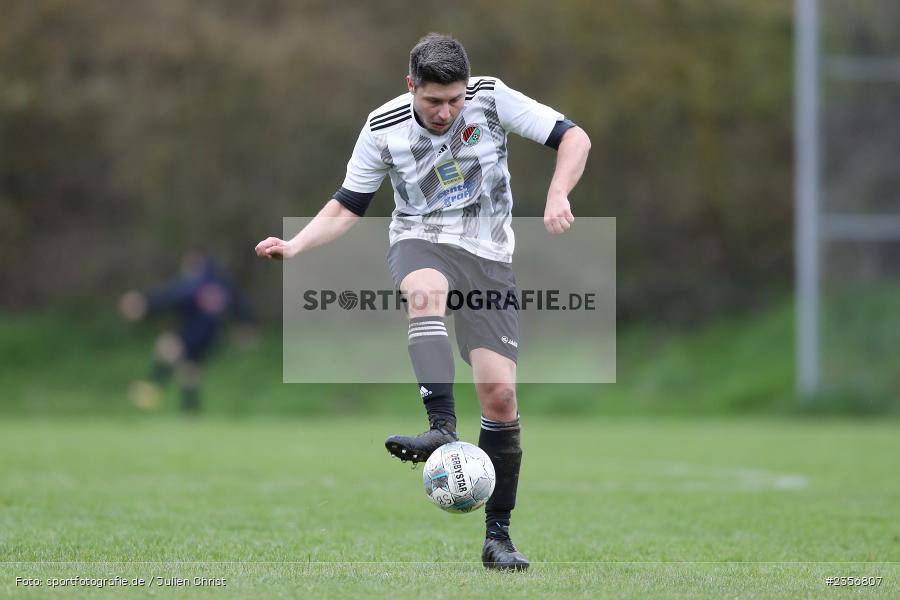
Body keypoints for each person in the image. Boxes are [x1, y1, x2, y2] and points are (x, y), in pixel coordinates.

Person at [255, 33, 590, 570]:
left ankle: (498, 538)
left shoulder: (491, 96)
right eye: (434, 100)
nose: (446, 111)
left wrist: (558, 193)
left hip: (490, 258)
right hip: (419, 239)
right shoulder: (381, 127)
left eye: (454, 100)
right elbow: (348, 204)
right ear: (411, 85)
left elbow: (574, 138)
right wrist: (295, 245)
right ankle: (441, 426)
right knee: (426, 290)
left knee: (501, 397)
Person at [120, 250, 257, 413]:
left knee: (166, 347)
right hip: (210, 338)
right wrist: (246, 325)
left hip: (192, 333)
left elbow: (170, 297)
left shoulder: (194, 283)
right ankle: (191, 414)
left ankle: (152, 388)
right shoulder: (222, 283)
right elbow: (239, 303)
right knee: (189, 373)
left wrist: (145, 303)